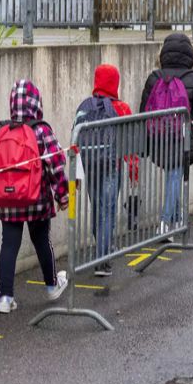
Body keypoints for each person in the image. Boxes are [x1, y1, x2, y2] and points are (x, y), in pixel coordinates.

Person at [0, 80, 70, 314]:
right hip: (36, 199)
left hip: (7, 201)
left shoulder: (0, 131)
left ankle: (5, 298)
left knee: (8, 245)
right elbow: (56, 166)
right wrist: (63, 196)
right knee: (42, 241)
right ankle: (52, 285)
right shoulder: (41, 130)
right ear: (35, 103)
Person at [140, 33, 193, 235]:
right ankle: (164, 224)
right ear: (190, 53)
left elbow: (142, 113)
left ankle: (178, 218)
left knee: (173, 175)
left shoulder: (154, 77)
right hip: (181, 139)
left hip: (157, 139)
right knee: (174, 176)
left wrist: (142, 147)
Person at [73, 64, 134, 278]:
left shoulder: (84, 107)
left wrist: (76, 175)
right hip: (111, 166)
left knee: (98, 209)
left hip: (90, 166)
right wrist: (133, 169)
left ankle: (102, 250)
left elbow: (75, 140)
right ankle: (103, 260)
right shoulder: (121, 108)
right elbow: (129, 143)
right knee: (108, 211)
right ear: (115, 83)